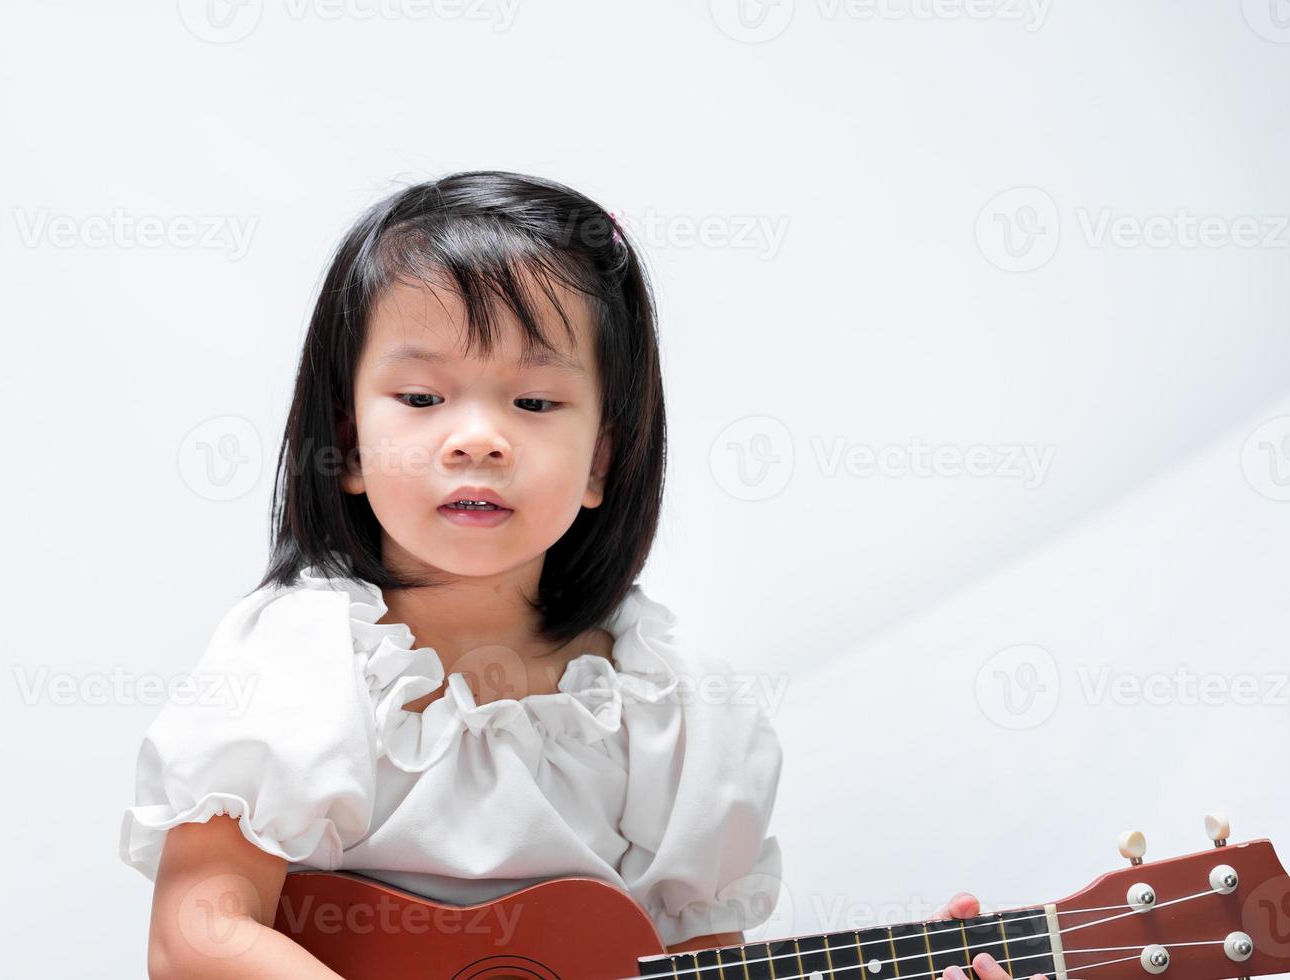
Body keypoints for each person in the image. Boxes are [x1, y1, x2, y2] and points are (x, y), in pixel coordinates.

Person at [118, 170, 1024, 980]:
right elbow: (195, 938)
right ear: (348, 447)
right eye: (424, 398)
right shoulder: (300, 664)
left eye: (536, 401)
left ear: (599, 463)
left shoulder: (670, 714)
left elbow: (698, 966)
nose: (478, 437)